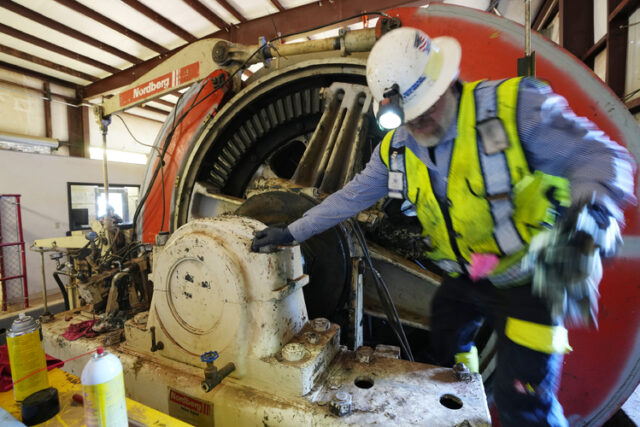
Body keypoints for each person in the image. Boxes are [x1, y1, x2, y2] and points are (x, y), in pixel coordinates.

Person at [251, 27, 635, 426]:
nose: (418, 124)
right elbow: (348, 198)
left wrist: (586, 227)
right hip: (473, 272)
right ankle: (471, 391)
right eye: (407, 116)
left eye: (426, 108)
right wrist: (293, 231)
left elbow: (605, 162)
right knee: (446, 337)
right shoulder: (397, 148)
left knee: (523, 402)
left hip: (529, 280)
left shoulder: (514, 110)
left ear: (447, 81)